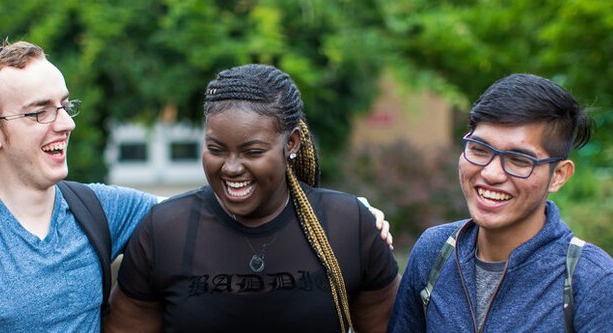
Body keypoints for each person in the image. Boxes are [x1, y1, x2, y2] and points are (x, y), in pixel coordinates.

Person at [0, 41, 394, 332]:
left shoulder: (103, 211)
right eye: (38, 112)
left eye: (65, 105)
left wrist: (352, 213)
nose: (63, 123)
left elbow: (214, 212)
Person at [105, 64, 400, 333]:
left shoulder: (347, 224)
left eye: (253, 152)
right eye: (216, 149)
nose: (231, 167)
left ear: (292, 143)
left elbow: (391, 326)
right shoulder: (165, 230)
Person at [387, 74, 613, 332]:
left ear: (558, 175)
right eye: (479, 150)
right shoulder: (435, 252)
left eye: (519, 160)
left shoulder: (600, 287)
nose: (491, 173)